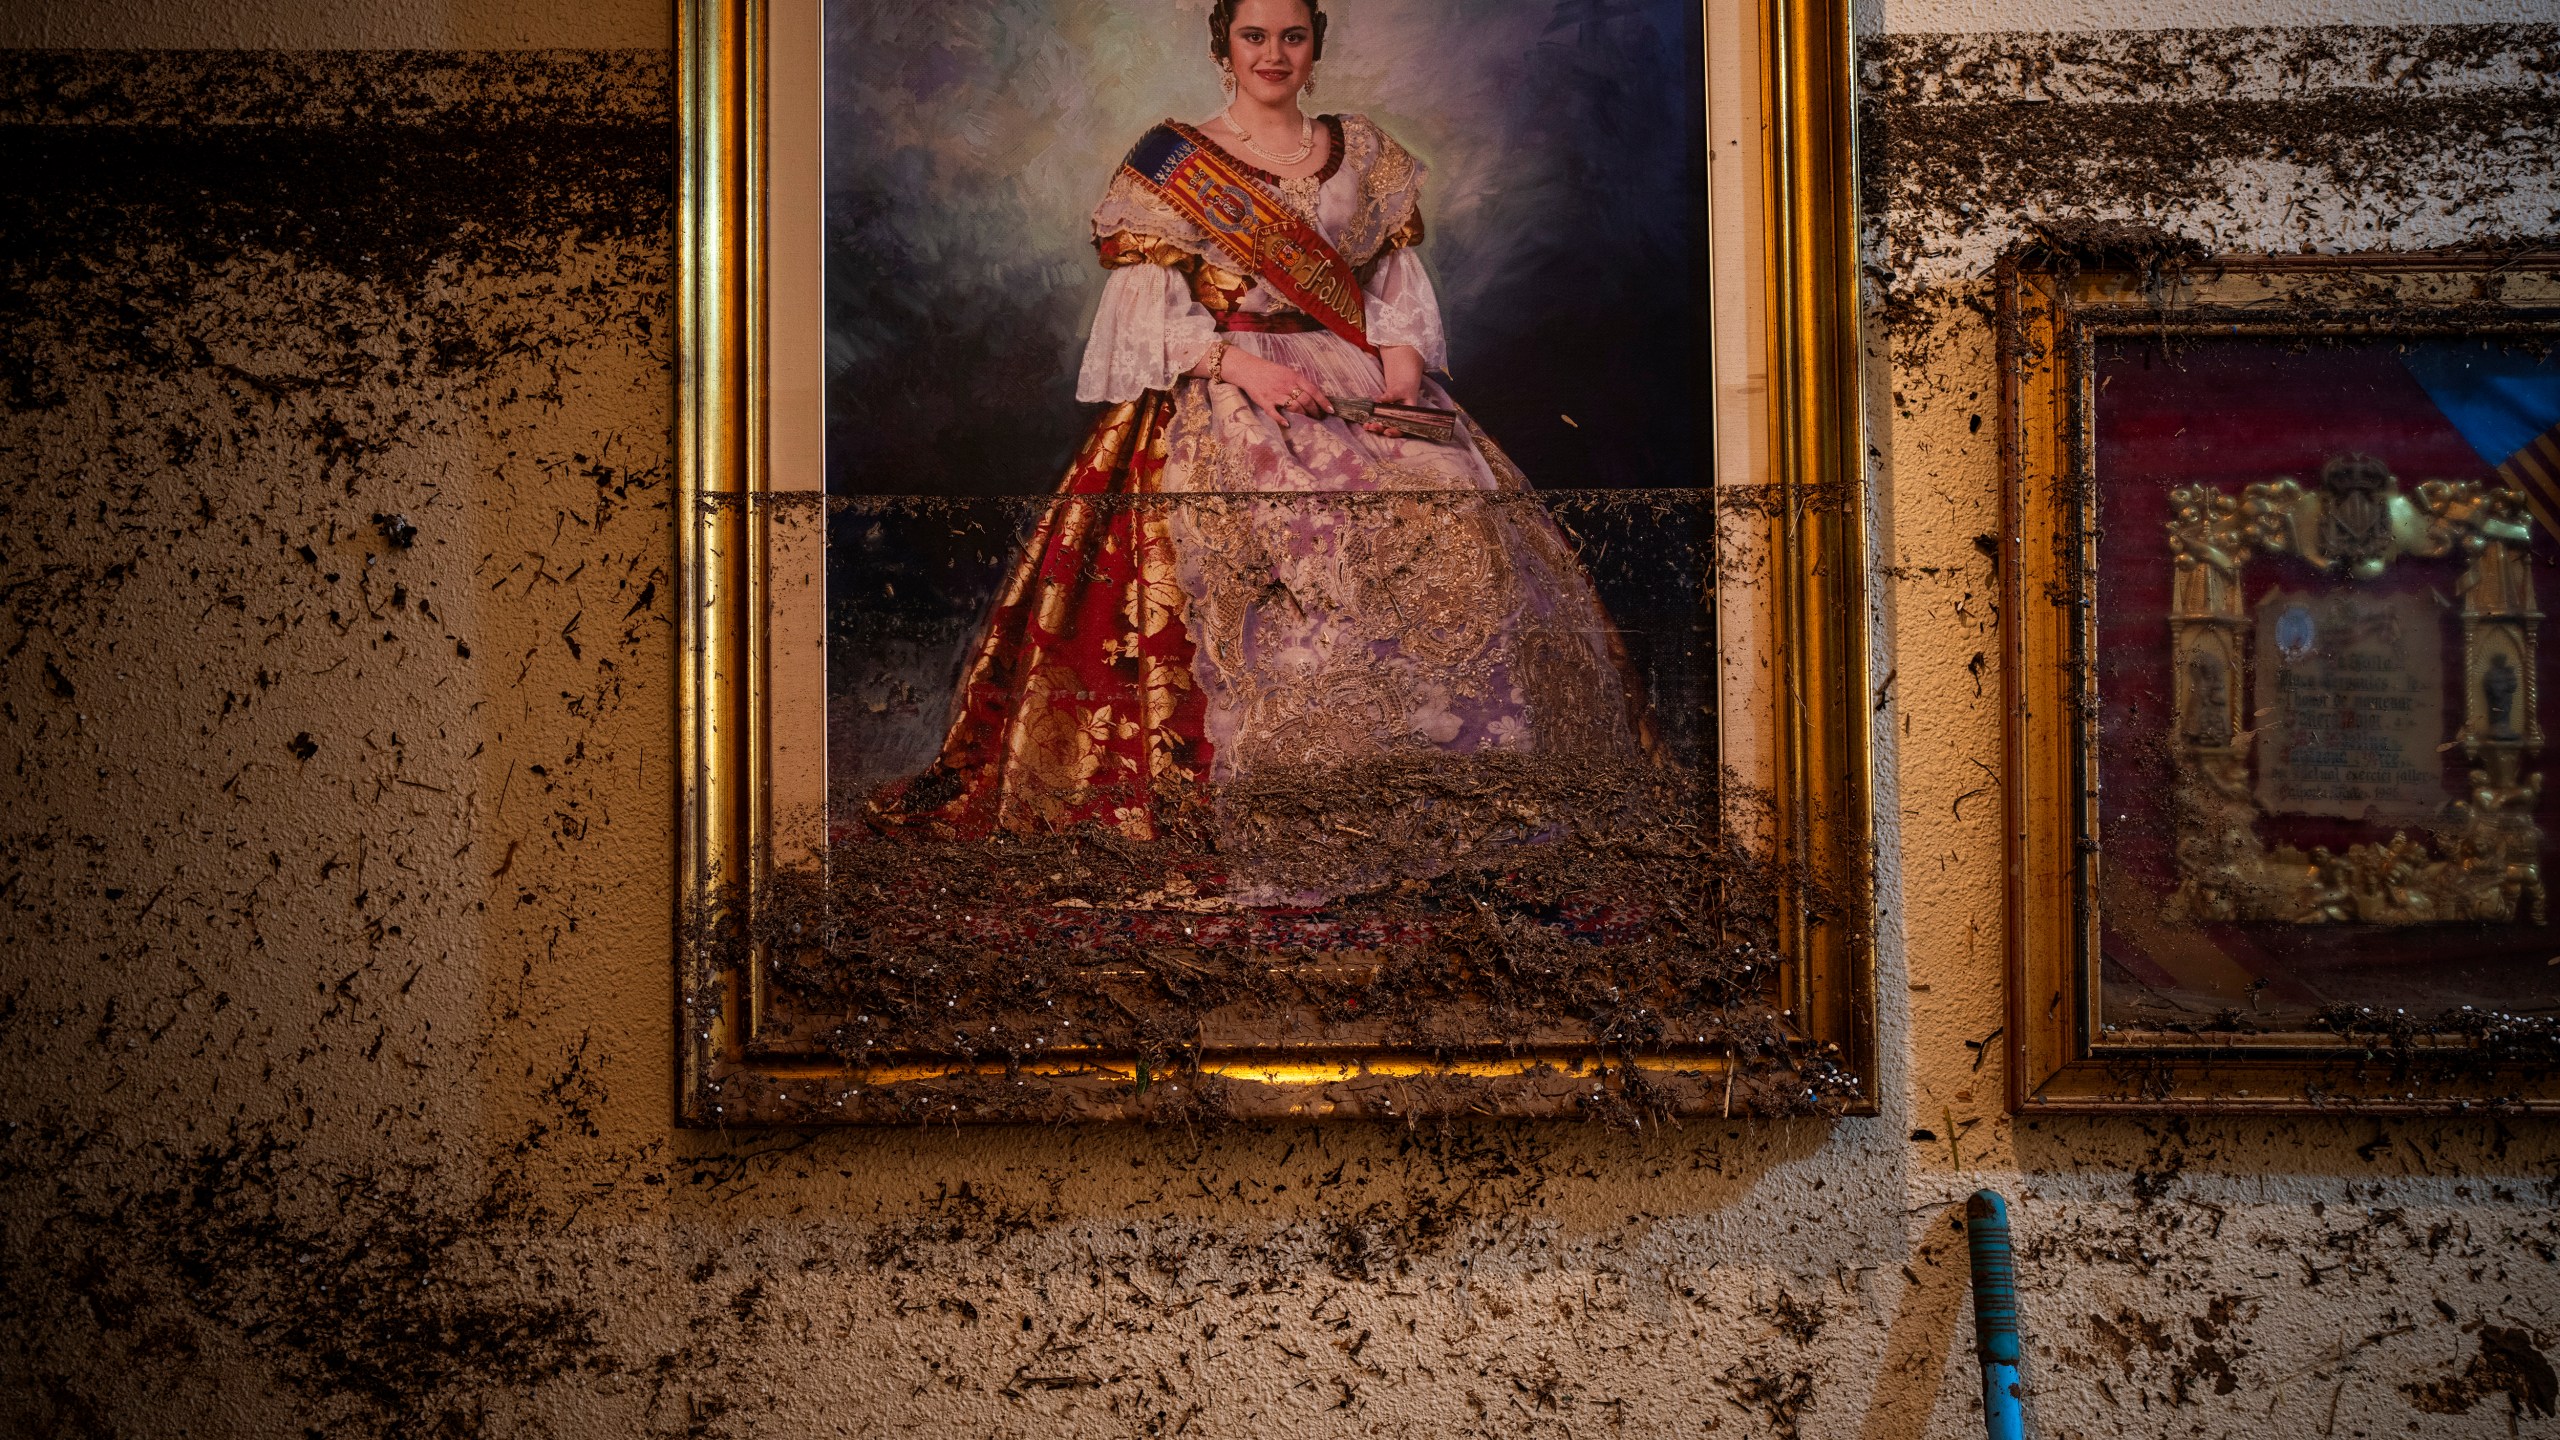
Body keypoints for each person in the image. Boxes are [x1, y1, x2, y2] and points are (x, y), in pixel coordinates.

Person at [879, 0, 1652, 867]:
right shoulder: (1172, 162)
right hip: (1229, 386)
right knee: (1303, 550)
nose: (1273, 54)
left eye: (1292, 36)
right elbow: (1146, 317)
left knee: (1458, 514)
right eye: (1255, 36)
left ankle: (1450, 783)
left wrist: (1400, 359)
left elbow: (1390, 279)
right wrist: (1248, 369)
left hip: (1358, 377)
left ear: (1315, 44)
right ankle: (1304, 795)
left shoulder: (1358, 148)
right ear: (1225, 46)